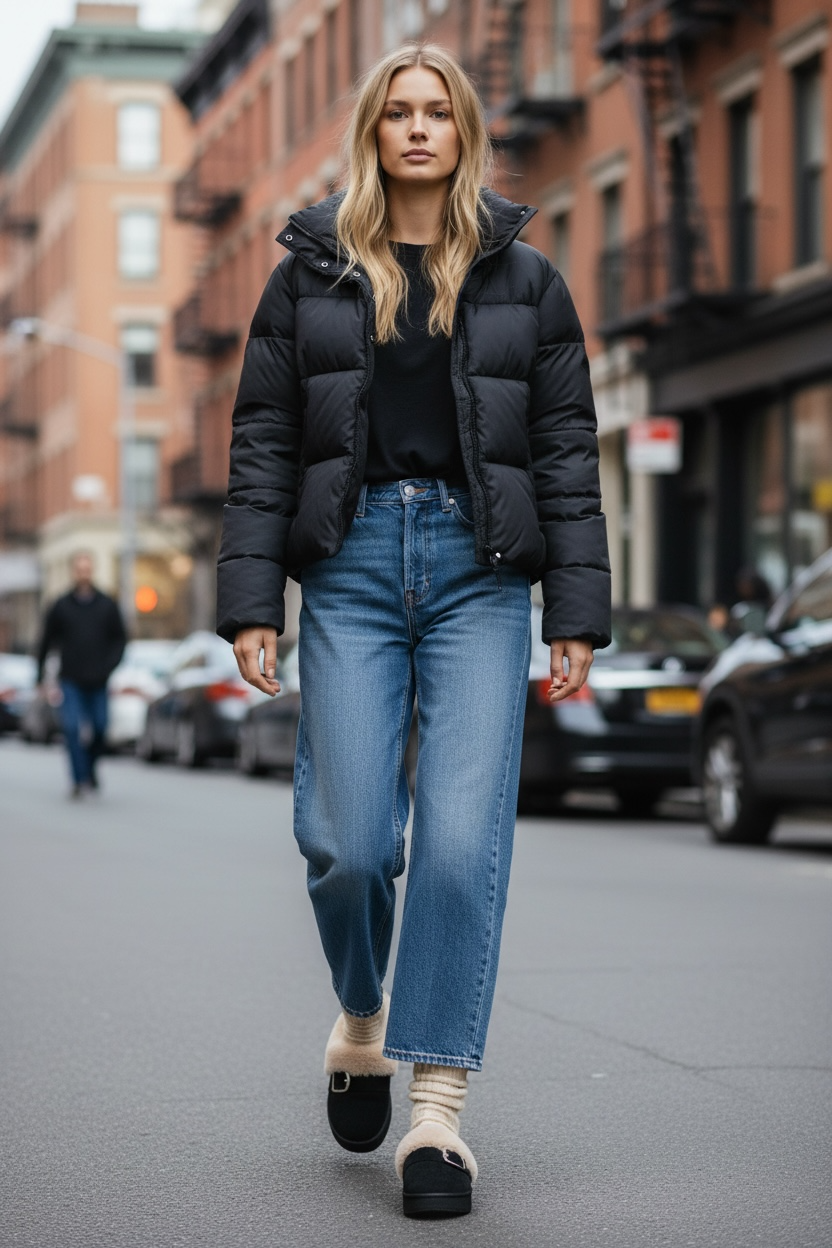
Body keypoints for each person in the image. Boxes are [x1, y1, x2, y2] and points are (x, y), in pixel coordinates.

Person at [218, 43, 611, 1218]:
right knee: (346, 844)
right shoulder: (308, 276)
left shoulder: (527, 281)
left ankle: (436, 1115)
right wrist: (251, 600)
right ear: (374, 133)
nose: (421, 128)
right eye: (400, 112)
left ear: (465, 130)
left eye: (440, 111)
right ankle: (361, 1013)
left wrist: (574, 613)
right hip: (344, 571)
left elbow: (565, 456)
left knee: (456, 847)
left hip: (476, 575)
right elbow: (262, 446)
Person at [36, 552, 127, 797]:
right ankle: (78, 780)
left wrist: (109, 667)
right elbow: (46, 642)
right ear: (73, 572)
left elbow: (120, 640)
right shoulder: (61, 605)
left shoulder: (107, 604)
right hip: (71, 680)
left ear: (92, 571)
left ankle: (89, 767)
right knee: (72, 729)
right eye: (79, 569)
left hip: (99, 680)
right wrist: (39, 677)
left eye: (87, 569)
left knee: (100, 728)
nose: (83, 573)